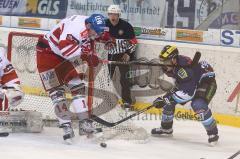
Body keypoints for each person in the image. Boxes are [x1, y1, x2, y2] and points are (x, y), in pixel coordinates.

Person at [36, 14, 107, 143]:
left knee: (77, 86)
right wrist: (87, 57)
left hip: (62, 55)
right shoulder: (76, 28)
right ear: (89, 25)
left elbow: (85, 48)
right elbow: (65, 48)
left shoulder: (89, 28)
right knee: (57, 92)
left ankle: (85, 123)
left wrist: (91, 56)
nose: (97, 35)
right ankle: (66, 126)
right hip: (46, 52)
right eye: (96, 31)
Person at [151, 45, 219, 145]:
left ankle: (213, 134)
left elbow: (188, 94)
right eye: (163, 61)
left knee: (198, 104)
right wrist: (166, 98)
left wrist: (166, 99)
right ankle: (166, 128)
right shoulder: (174, 65)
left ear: (174, 59)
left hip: (206, 83)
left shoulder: (183, 71)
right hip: (190, 82)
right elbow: (182, 83)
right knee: (167, 100)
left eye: (166, 61)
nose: (164, 64)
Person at [105, 5, 137, 109]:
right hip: (109, 55)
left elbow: (134, 42)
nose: (113, 17)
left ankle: (127, 101)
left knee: (124, 79)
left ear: (119, 15)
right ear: (108, 15)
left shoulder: (126, 26)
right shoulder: (104, 24)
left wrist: (128, 53)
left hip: (123, 55)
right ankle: (105, 99)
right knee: (106, 79)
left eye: (115, 14)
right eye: (110, 14)